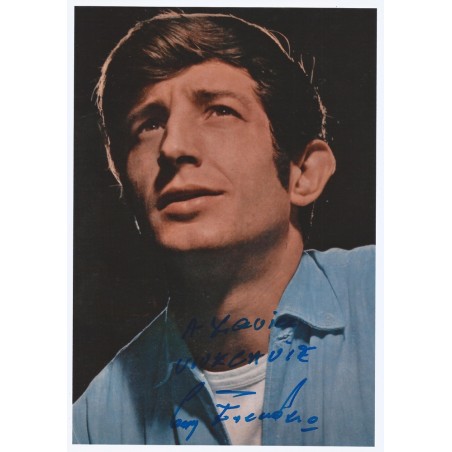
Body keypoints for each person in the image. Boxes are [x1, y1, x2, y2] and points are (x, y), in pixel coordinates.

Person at [72, 11, 375, 446]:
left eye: (220, 110)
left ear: (304, 173)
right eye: (149, 124)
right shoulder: (91, 424)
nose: (173, 146)